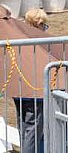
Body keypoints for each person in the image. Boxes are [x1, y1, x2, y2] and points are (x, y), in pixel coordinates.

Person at [14, 8, 49, 153]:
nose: (46, 28)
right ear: (38, 25)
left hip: (20, 89)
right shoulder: (40, 43)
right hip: (35, 91)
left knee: (25, 127)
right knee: (34, 129)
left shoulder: (17, 39)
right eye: (44, 25)